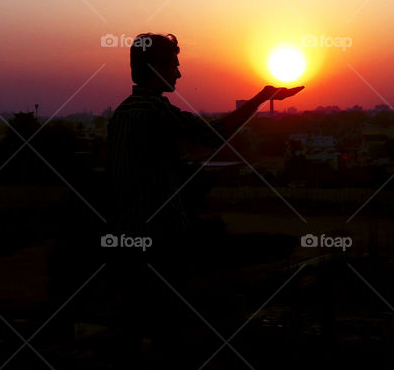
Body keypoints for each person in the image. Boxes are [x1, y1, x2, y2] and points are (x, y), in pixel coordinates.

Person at [106, 32, 302, 361]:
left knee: (138, 324)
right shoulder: (151, 110)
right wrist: (260, 99)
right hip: (157, 239)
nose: (179, 74)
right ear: (156, 68)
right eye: (174, 66)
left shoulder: (125, 112)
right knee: (172, 329)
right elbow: (214, 136)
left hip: (129, 236)